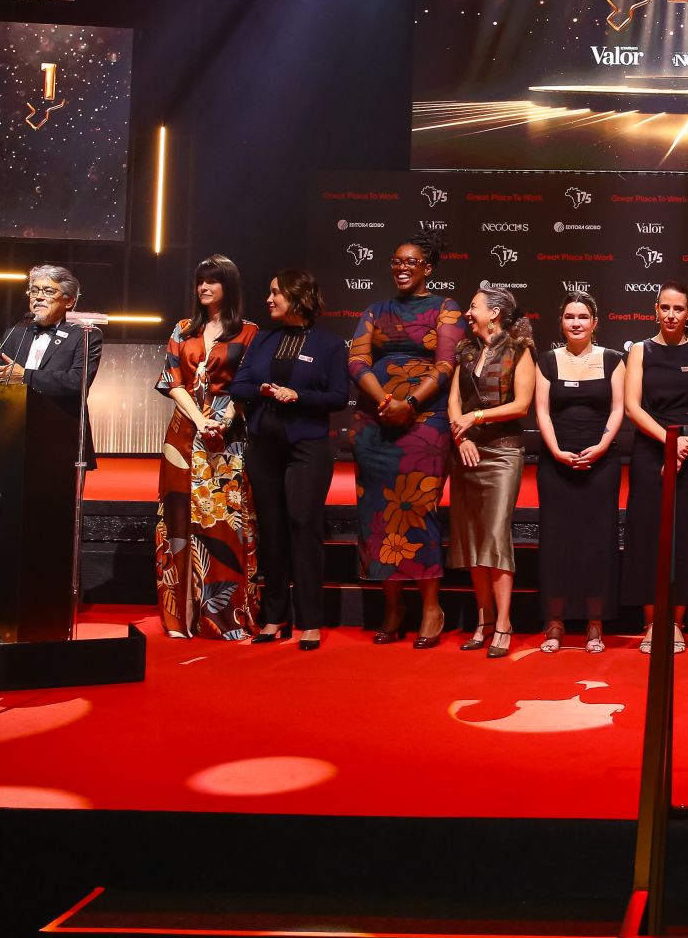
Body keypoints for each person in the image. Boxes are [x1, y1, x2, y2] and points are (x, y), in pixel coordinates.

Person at [348, 236, 463, 648]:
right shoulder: (374, 310)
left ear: (427, 268)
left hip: (425, 422)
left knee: (418, 509)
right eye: (396, 261)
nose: (401, 267)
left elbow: (446, 364)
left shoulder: (445, 307)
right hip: (375, 421)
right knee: (378, 514)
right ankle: (393, 608)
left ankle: (431, 608)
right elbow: (356, 360)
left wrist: (411, 403)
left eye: (411, 262)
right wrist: (386, 401)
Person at [229, 269, 348, 652]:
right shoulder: (262, 339)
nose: (268, 299)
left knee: (302, 524)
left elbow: (338, 396)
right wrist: (263, 390)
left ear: (298, 297)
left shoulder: (330, 345)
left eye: (275, 292)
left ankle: (310, 620)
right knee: (272, 528)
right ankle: (274, 616)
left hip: (307, 446)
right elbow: (238, 386)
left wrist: (299, 396)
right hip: (264, 445)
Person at [153, 255, 260, 639]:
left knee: (225, 523)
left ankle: (223, 616)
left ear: (228, 286)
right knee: (178, 520)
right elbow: (172, 381)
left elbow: (247, 384)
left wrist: (223, 420)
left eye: (212, 281)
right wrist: (200, 421)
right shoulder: (183, 329)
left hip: (228, 436)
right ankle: (180, 617)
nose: (204, 288)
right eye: (200, 281)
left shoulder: (249, 332)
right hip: (183, 435)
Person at [620, 281, 688, 654]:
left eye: (679, 309)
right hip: (651, 451)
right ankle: (651, 623)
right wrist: (669, 442)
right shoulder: (640, 351)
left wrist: (685, 444)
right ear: (655, 309)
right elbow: (633, 407)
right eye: (665, 308)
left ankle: (675, 622)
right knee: (647, 536)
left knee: (686, 536)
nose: (671, 315)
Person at [447, 285, 538, 659]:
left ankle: (503, 622)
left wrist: (477, 417)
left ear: (495, 313)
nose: (467, 313)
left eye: (474, 307)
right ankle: (483, 620)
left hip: (503, 453)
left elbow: (521, 405)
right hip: (466, 451)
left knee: (496, 537)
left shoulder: (520, 350)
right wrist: (461, 438)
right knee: (472, 538)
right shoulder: (466, 349)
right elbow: (454, 400)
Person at [533, 291, 624, 655]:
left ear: (594, 322)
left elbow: (618, 409)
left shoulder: (614, 360)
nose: (576, 323)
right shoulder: (546, 361)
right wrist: (556, 451)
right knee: (557, 542)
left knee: (597, 543)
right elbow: (542, 412)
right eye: (570, 316)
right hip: (556, 463)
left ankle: (594, 622)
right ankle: (554, 622)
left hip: (602, 464)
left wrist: (601, 447)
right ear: (561, 322)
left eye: (583, 317)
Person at [0, 262, 102, 468]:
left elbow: (77, 382)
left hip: (59, 437)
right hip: (12, 435)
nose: (38, 297)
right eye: (34, 290)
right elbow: (2, 375)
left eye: (48, 291)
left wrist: (25, 376)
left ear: (69, 301)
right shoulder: (15, 333)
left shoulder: (85, 335)